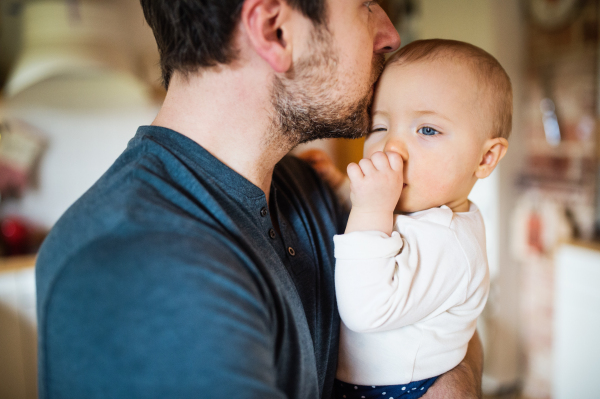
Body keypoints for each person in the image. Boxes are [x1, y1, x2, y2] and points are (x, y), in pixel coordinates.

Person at [35, 1, 483, 398]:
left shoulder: (311, 189)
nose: (389, 34)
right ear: (275, 30)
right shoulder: (138, 269)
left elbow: (445, 316)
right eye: (366, 5)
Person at [303, 39, 511, 399]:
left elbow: (365, 311)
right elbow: (386, 233)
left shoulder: (448, 244)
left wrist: (369, 208)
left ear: (486, 158)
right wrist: (342, 188)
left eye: (427, 130)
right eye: (380, 128)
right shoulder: (424, 213)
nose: (391, 148)